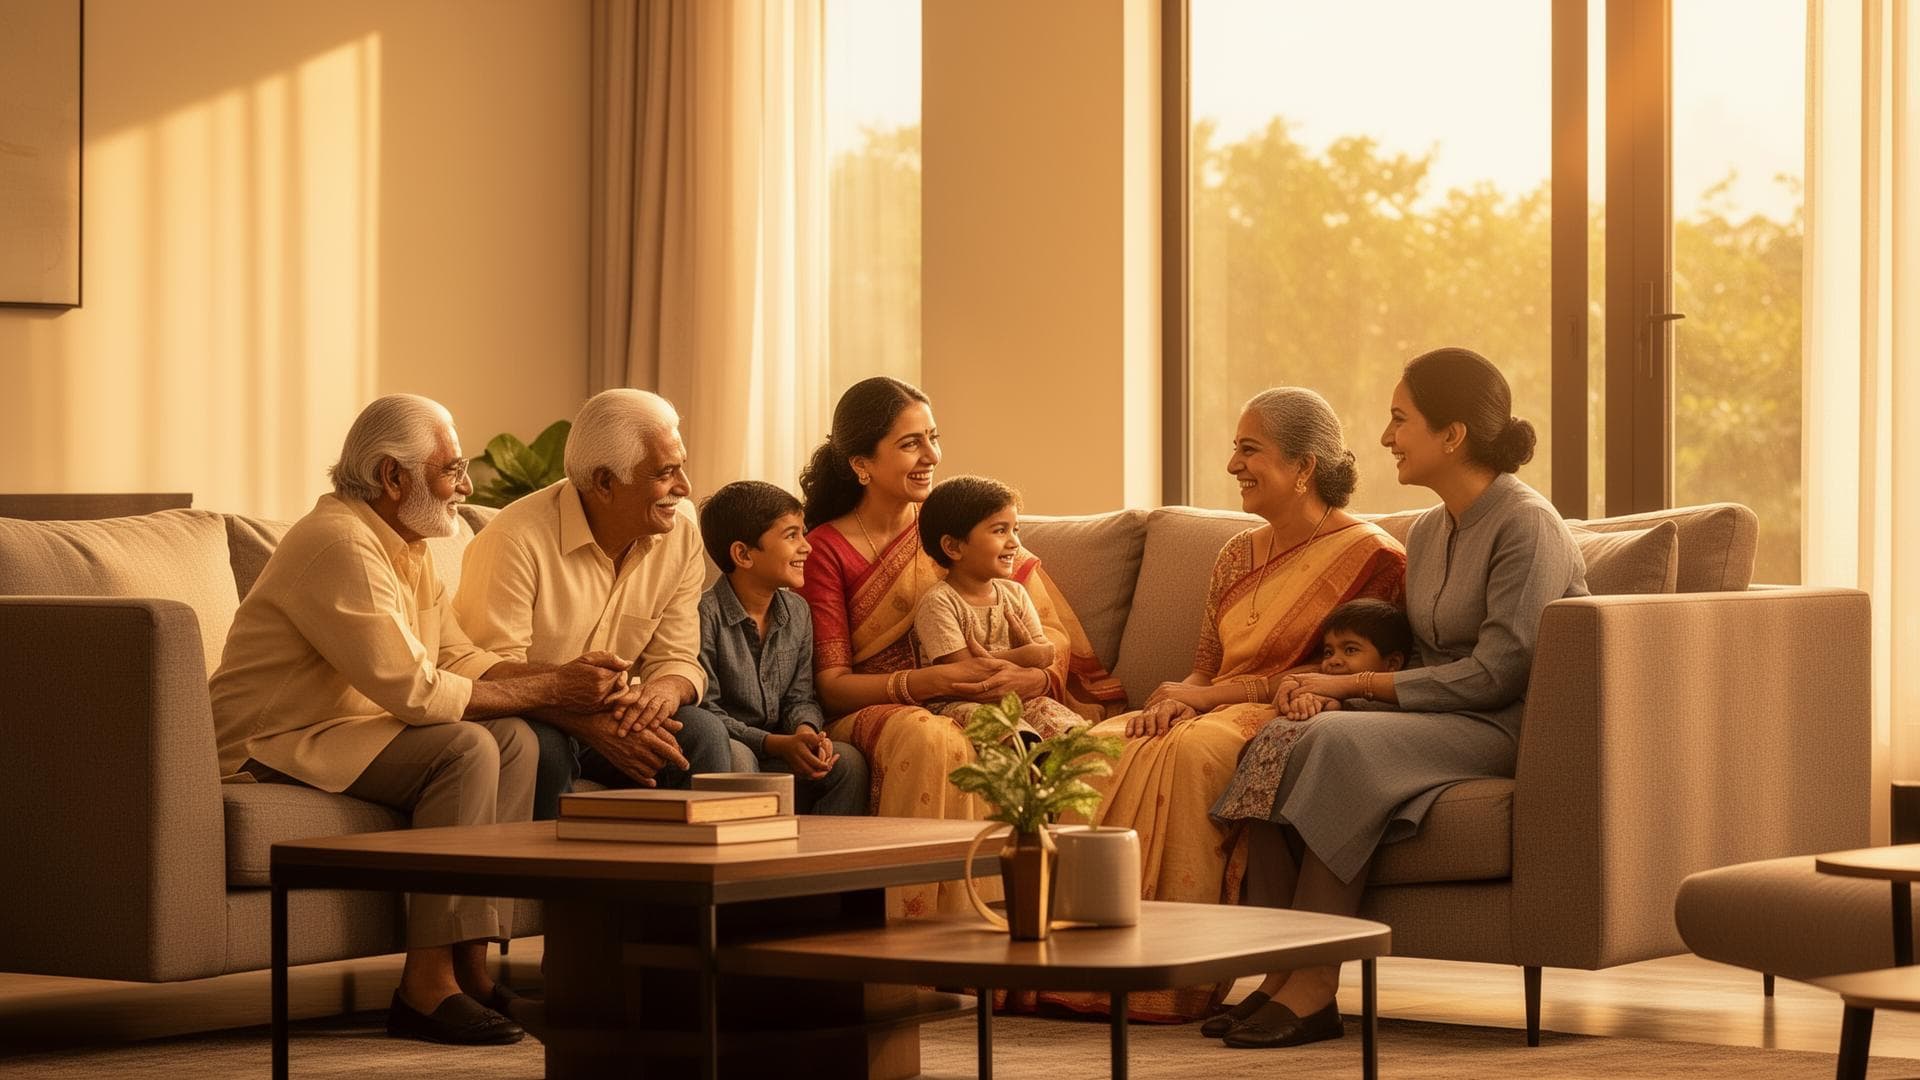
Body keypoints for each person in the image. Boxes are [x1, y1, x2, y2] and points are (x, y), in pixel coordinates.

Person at [210, 394, 633, 1046]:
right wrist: (555, 687)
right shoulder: (339, 544)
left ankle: (473, 969)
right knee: (463, 750)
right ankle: (424, 985)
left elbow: (457, 656)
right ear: (392, 477)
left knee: (516, 742)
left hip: (343, 730)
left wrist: (572, 684)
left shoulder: (409, 544)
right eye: (452, 470)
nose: (465, 488)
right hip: (272, 742)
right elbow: (414, 691)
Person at [1214, 348, 1588, 1050]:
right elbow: (1419, 657)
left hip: (1499, 725)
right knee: (1270, 736)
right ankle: (1277, 970)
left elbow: (1498, 675)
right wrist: (1321, 693)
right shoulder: (1434, 527)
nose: (1385, 437)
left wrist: (1352, 689)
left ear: (1453, 436)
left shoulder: (1526, 524)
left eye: (1399, 419)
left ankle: (1316, 986)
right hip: (1433, 713)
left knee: (1330, 742)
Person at [1048, 387, 1406, 1023]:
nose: (1234, 465)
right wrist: (1180, 698)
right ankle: (1070, 971)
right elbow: (1208, 664)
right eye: (1235, 449)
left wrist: (1204, 701)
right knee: (1097, 746)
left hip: (1297, 712)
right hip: (1217, 703)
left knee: (1194, 750)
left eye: (1250, 450)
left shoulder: (1375, 558)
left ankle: (1171, 978)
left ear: (1304, 468)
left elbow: (1339, 670)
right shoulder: (1235, 552)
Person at [795, 376, 1126, 916]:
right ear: (861, 465)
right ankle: (922, 942)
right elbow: (830, 686)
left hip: (987, 694)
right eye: (910, 444)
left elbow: (1048, 631)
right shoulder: (826, 550)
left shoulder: (957, 524)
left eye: (933, 437)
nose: (931, 455)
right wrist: (925, 683)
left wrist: (1032, 678)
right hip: (879, 705)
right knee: (932, 737)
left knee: (1068, 747)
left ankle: (1030, 933)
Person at [453, 389, 731, 821]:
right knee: (545, 749)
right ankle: (553, 887)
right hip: (534, 715)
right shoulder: (514, 540)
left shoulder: (681, 532)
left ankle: (684, 886)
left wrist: (660, 693)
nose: (684, 487)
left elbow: (676, 656)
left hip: (618, 711)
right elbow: (487, 672)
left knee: (703, 735)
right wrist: (589, 724)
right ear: (604, 482)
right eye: (666, 473)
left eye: (682, 467)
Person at [689, 480, 868, 814]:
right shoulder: (703, 615)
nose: (807, 547)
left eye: (804, 532)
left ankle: (820, 863)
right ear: (743, 554)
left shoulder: (797, 611)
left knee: (849, 763)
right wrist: (775, 744)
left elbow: (801, 697)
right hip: (734, 747)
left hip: (781, 748)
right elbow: (706, 712)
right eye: (791, 535)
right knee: (739, 758)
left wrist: (805, 732)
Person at [1210, 598, 1414, 837]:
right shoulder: (1325, 688)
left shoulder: (1393, 703)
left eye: (1350, 649)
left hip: (1355, 778)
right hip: (1304, 785)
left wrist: (1330, 704)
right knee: (1265, 740)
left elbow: (1346, 717)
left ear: (1392, 664)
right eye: (1329, 652)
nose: (1333, 660)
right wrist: (1305, 703)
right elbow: (1319, 704)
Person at [911, 476, 1087, 742]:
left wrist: (1029, 655)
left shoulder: (1015, 593)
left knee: (1056, 716)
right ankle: (1026, 761)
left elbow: (1045, 652)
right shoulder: (939, 603)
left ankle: (1070, 766)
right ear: (954, 547)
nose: (1015, 542)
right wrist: (1025, 656)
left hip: (1014, 698)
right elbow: (964, 673)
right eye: (1000, 530)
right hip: (957, 704)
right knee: (996, 724)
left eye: (1015, 529)